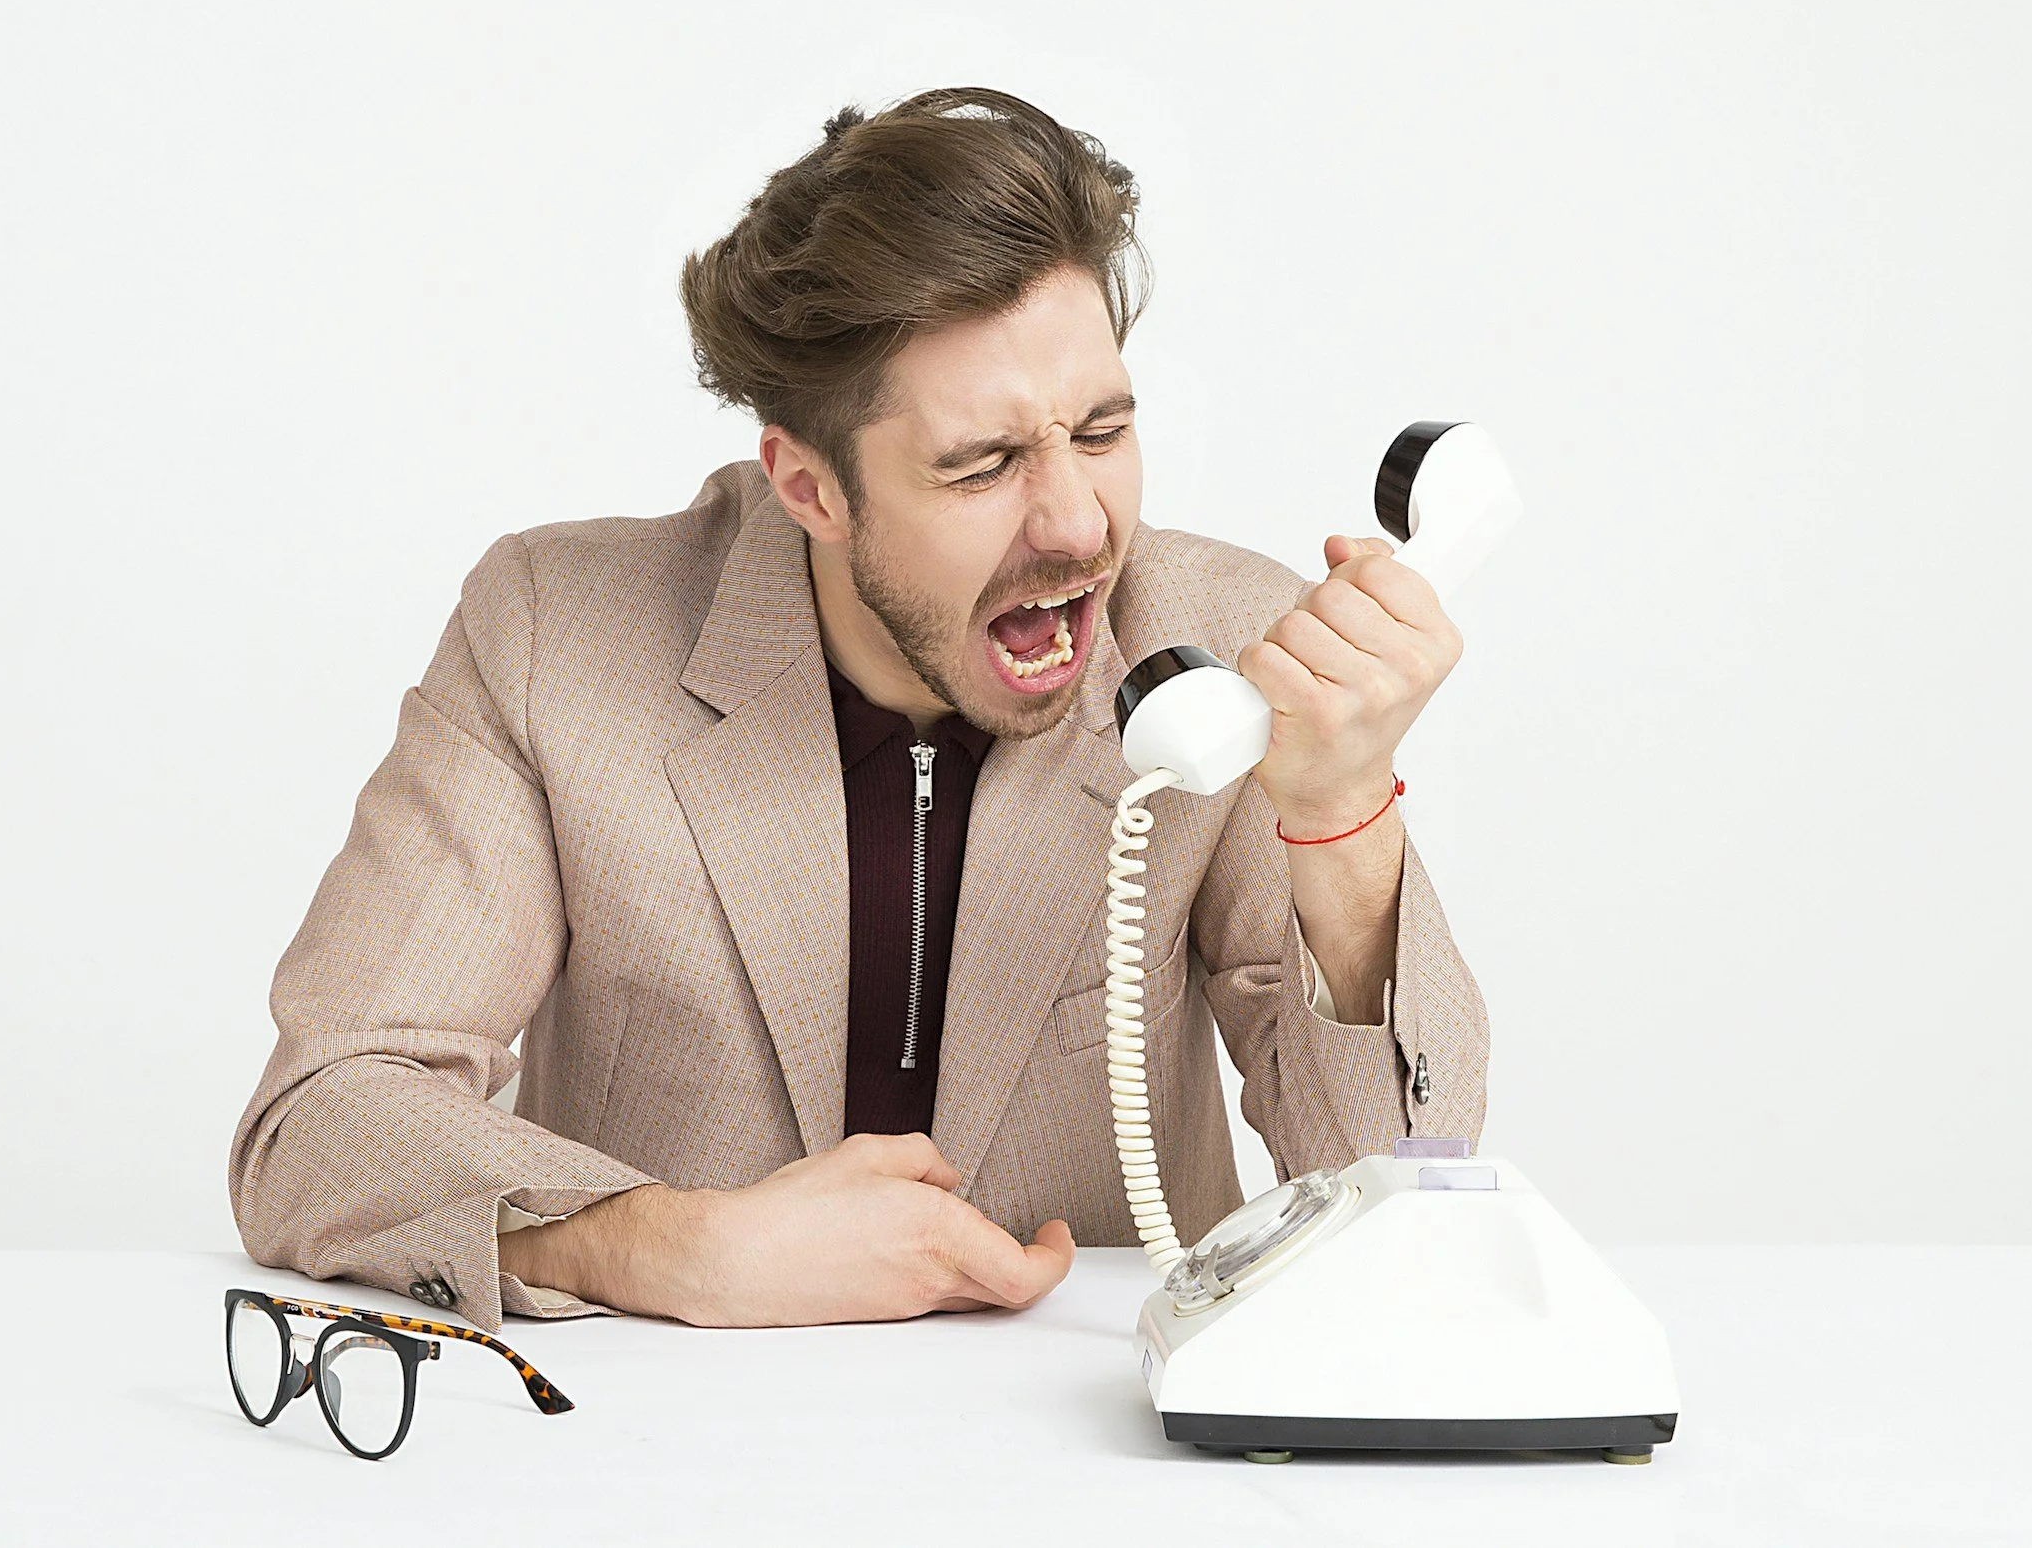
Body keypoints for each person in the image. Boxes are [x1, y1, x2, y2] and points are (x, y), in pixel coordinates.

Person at [227, 86, 1488, 1332]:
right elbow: (323, 1115)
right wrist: (668, 1246)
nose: (1077, 524)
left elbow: (1403, 1185)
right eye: (981, 463)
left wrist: (1339, 816)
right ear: (809, 486)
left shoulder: (1217, 644)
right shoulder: (553, 630)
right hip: (661, 1450)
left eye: (1101, 431)